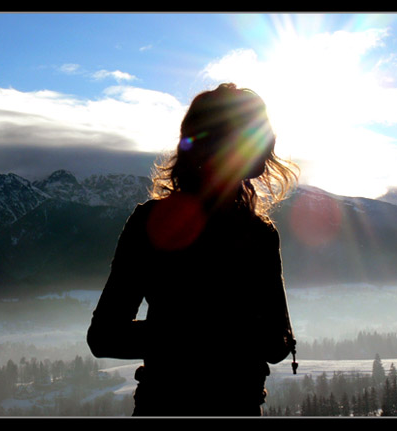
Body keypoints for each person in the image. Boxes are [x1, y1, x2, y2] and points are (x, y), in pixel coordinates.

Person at [87, 83, 299, 416]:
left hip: (164, 403)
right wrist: (225, 338)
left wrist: (180, 339)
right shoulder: (258, 234)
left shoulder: (151, 222)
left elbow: (105, 337)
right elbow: (277, 343)